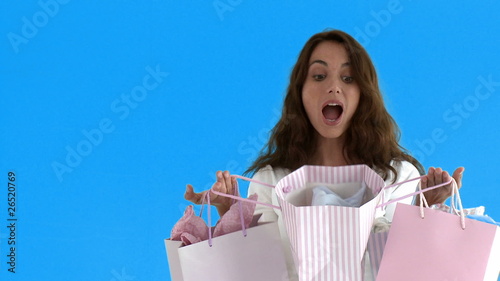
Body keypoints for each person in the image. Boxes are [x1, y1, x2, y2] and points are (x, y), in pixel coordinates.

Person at [184, 29, 464, 280]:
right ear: (300, 93)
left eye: (348, 77)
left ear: (363, 94)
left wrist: (426, 208)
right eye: (319, 76)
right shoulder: (272, 179)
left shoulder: (398, 176)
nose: (334, 86)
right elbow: (256, 270)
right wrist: (228, 212)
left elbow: (406, 268)